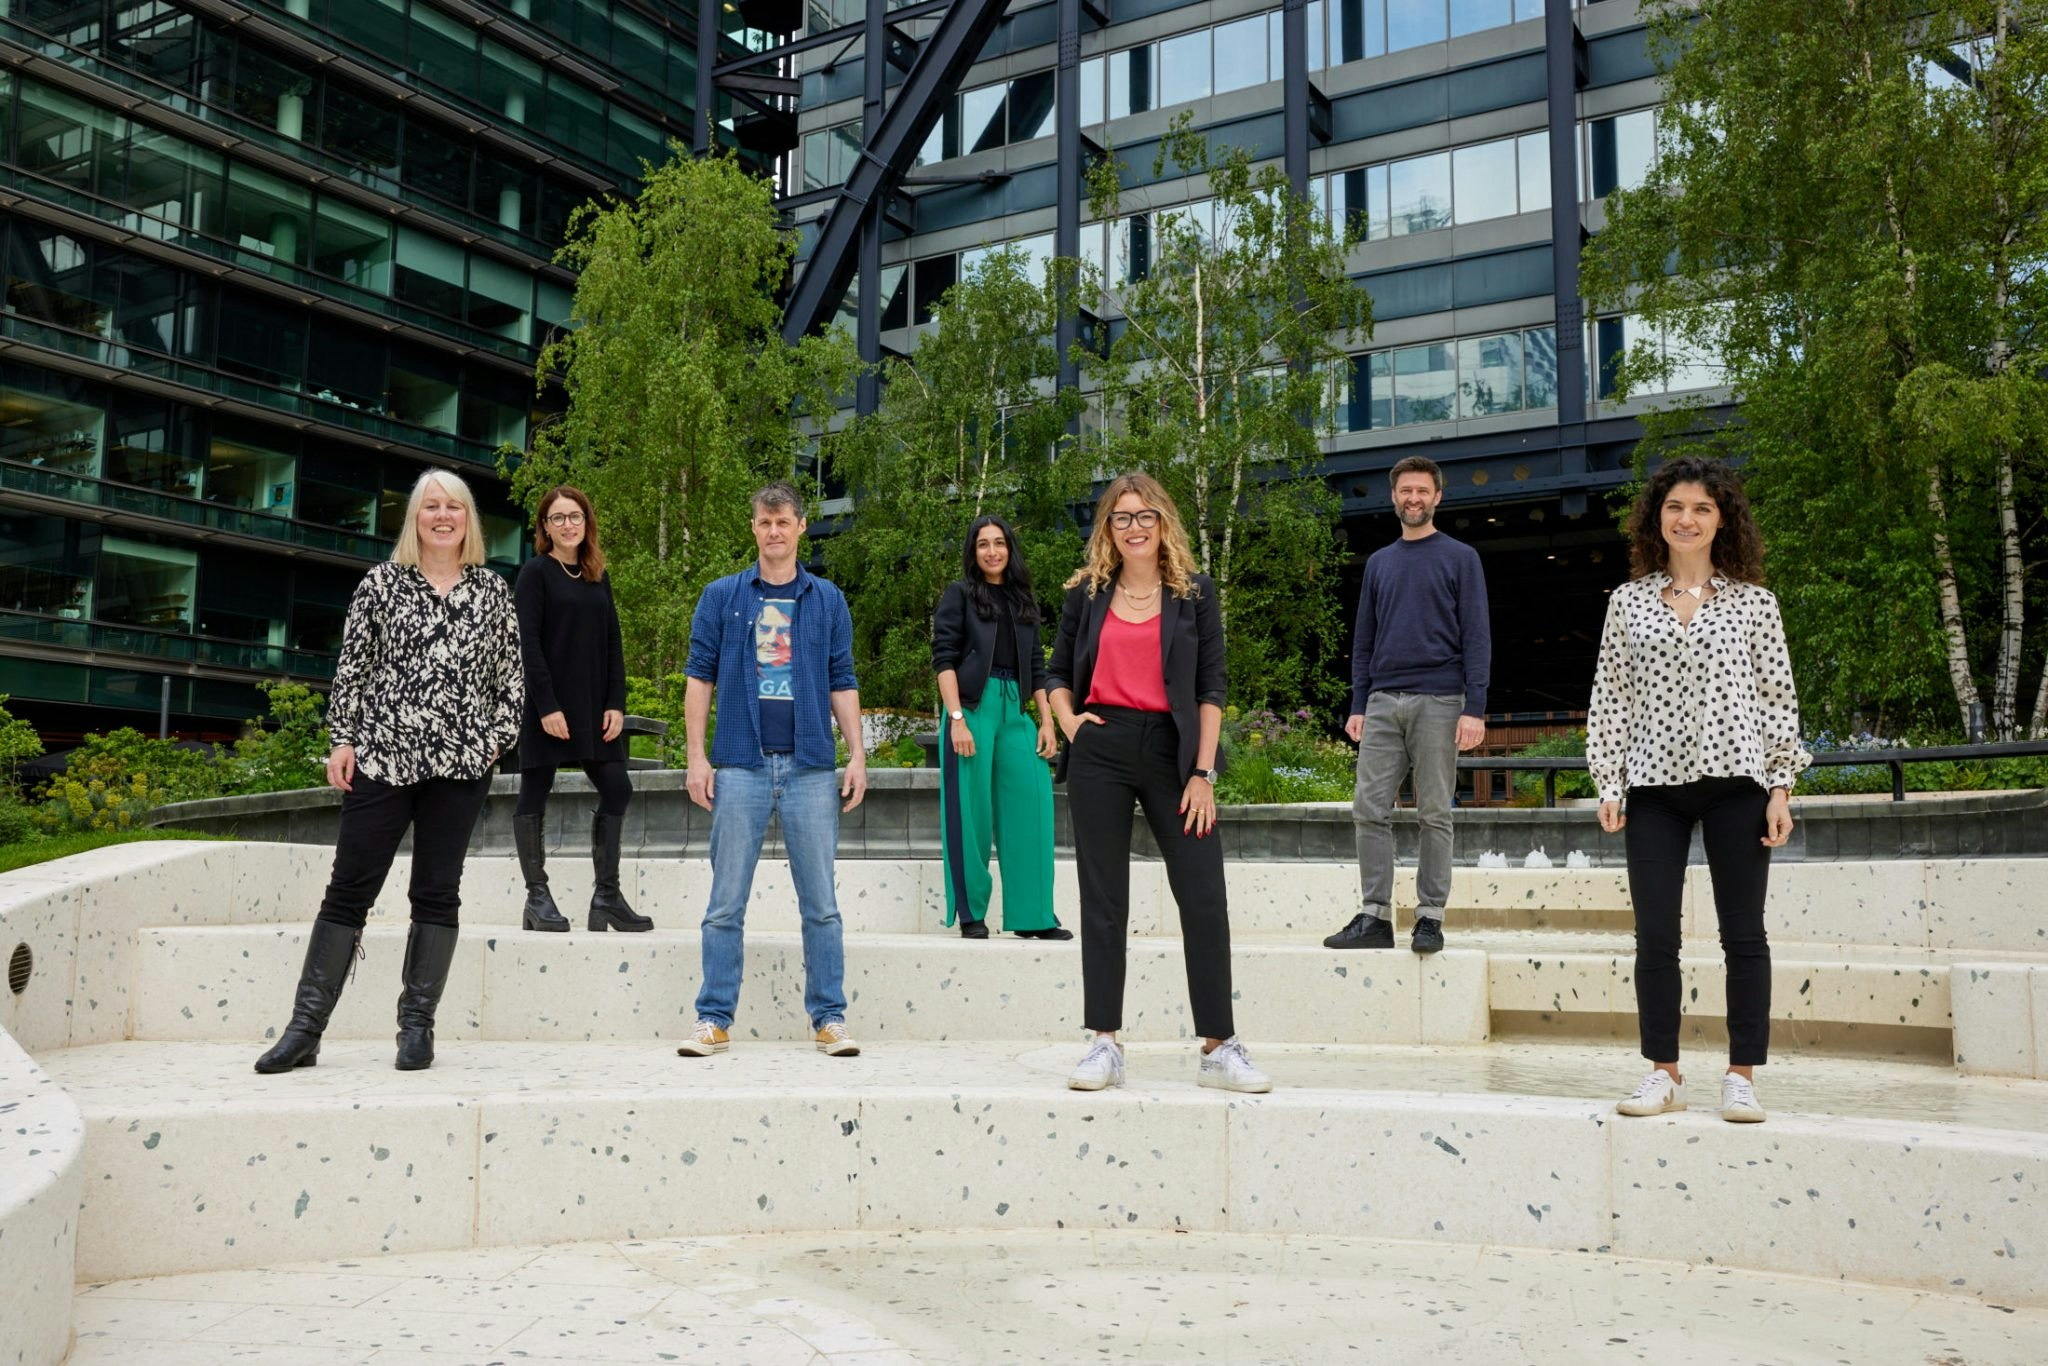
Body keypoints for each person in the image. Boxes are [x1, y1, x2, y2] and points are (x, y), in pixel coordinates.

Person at [254, 470, 522, 1074]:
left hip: (459, 766)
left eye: (454, 506)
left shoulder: (493, 592)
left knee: (436, 890)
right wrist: (341, 739)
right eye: (432, 506)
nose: (443, 515)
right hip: (383, 756)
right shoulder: (380, 584)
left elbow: (512, 681)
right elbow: (352, 668)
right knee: (349, 887)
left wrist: (492, 742)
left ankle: (417, 1027)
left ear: (469, 520)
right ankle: (305, 1029)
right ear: (415, 518)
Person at [1588, 456, 1806, 1124]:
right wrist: (1608, 779)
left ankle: (1741, 1075)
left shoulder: (1753, 603)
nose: (1687, 519)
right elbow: (1611, 697)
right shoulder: (1627, 603)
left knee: (1744, 934)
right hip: (1653, 786)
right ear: (1658, 518)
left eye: (1702, 509)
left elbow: (1777, 699)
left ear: (1722, 520)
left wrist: (1780, 786)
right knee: (1655, 935)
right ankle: (1664, 1072)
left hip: (1737, 783)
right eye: (1676, 507)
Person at [1047, 472, 1270, 1094]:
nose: (1135, 527)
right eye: (1122, 518)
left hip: (1176, 754)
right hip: (1103, 748)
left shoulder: (1194, 593)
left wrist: (1203, 772)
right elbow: (1056, 671)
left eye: (1145, 516)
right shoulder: (1086, 594)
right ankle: (1104, 1044)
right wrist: (1070, 723)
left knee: (1203, 898)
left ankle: (1219, 1046)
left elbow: (1211, 686)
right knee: (1104, 899)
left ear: (1163, 521)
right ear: (1107, 529)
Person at [673, 482, 868, 1060]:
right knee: (725, 901)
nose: (775, 531)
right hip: (740, 764)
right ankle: (713, 1019)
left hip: (810, 766)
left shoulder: (827, 599)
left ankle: (829, 1019)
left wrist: (856, 754)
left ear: (802, 526)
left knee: (822, 904)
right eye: (765, 522)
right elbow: (698, 676)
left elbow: (843, 678)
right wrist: (695, 756)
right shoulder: (722, 596)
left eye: (784, 522)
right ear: (754, 527)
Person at [1325, 455, 1491, 956]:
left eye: (1423, 491)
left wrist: (1475, 707)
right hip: (1381, 701)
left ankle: (1429, 919)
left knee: (1434, 812)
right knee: (1368, 809)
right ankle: (1374, 916)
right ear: (1393, 497)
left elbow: (1477, 636)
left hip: (1441, 699)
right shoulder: (1379, 562)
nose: (1413, 498)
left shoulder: (1461, 557)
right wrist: (1359, 701)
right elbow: (1365, 639)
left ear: (1437, 497)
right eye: (1405, 491)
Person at [510, 485, 650, 933]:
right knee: (535, 793)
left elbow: (613, 642)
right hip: (547, 706)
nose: (568, 524)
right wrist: (546, 706)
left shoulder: (596, 575)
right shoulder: (535, 573)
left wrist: (616, 702)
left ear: (586, 522)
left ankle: (606, 897)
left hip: (593, 704)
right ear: (545, 527)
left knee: (618, 788)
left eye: (575, 516)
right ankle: (537, 897)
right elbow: (526, 644)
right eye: (558, 518)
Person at [932, 516, 1070, 941]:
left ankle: (1034, 915)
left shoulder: (1023, 600)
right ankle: (972, 913)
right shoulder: (960, 596)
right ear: (973, 553)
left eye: (999, 543)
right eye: (982, 545)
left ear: (1009, 548)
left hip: (1017, 714)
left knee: (1033, 807)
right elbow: (944, 659)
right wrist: (956, 718)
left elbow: (1036, 667)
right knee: (970, 815)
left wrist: (1046, 721)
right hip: (972, 710)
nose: (992, 551)